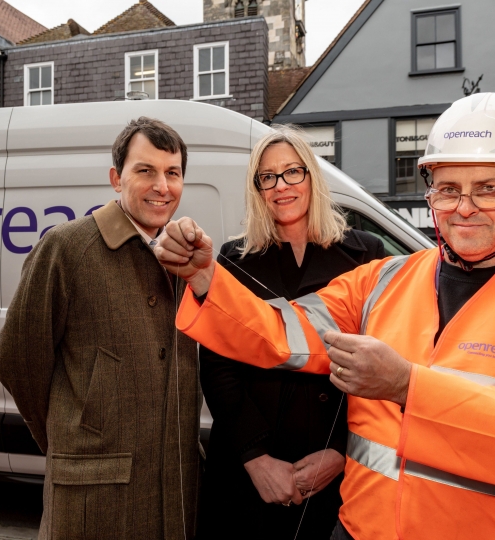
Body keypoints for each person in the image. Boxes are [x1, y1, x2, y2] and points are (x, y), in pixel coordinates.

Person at [156, 93, 495, 540]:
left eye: (488, 190)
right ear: (429, 195)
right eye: (448, 190)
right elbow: (281, 333)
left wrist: (410, 387)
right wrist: (206, 279)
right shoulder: (380, 280)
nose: (464, 208)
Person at [0, 117, 199, 540]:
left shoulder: (187, 258)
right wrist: (72, 437)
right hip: (92, 497)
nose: (162, 186)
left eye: (173, 173)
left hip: (173, 492)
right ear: (116, 178)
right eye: (146, 170)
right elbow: (19, 361)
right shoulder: (67, 248)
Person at [197, 126, 385, 540]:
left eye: (292, 172)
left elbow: (380, 365)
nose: (281, 186)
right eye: (267, 176)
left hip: (335, 465)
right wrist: (256, 459)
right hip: (248, 465)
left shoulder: (365, 255)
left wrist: (340, 450)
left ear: (311, 177)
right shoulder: (234, 259)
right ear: (257, 188)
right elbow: (215, 365)